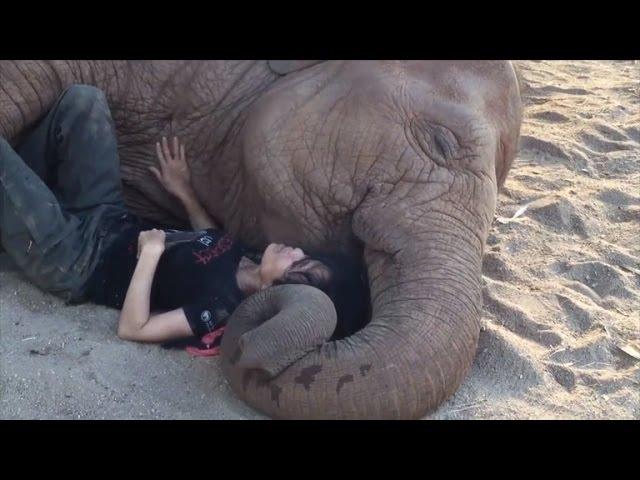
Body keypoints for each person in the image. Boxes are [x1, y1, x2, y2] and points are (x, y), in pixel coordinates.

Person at [0, 85, 369, 348]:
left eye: (298, 266)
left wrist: (150, 256)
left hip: (77, 261)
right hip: (106, 214)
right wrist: (183, 190)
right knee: (84, 101)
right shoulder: (244, 258)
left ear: (280, 291)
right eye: (305, 255)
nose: (296, 252)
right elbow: (209, 238)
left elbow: (134, 328)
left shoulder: (217, 306)